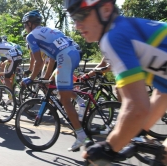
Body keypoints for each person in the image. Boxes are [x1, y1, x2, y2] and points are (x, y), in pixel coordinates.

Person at [65, 0, 167, 164]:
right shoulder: (128, 29)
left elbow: (136, 106)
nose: (77, 25)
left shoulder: (114, 36)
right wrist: (139, 131)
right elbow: (163, 92)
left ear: (106, 10)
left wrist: (109, 147)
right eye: (73, 18)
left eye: (81, 15)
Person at [22, 10, 90, 151]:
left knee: (64, 100)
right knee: (61, 88)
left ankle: (81, 136)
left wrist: (31, 78)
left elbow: (38, 62)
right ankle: (80, 101)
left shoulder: (31, 36)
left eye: (25, 25)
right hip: (74, 52)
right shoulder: (50, 30)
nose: (25, 28)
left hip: (64, 57)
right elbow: (52, 58)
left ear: (30, 23)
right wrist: (45, 78)